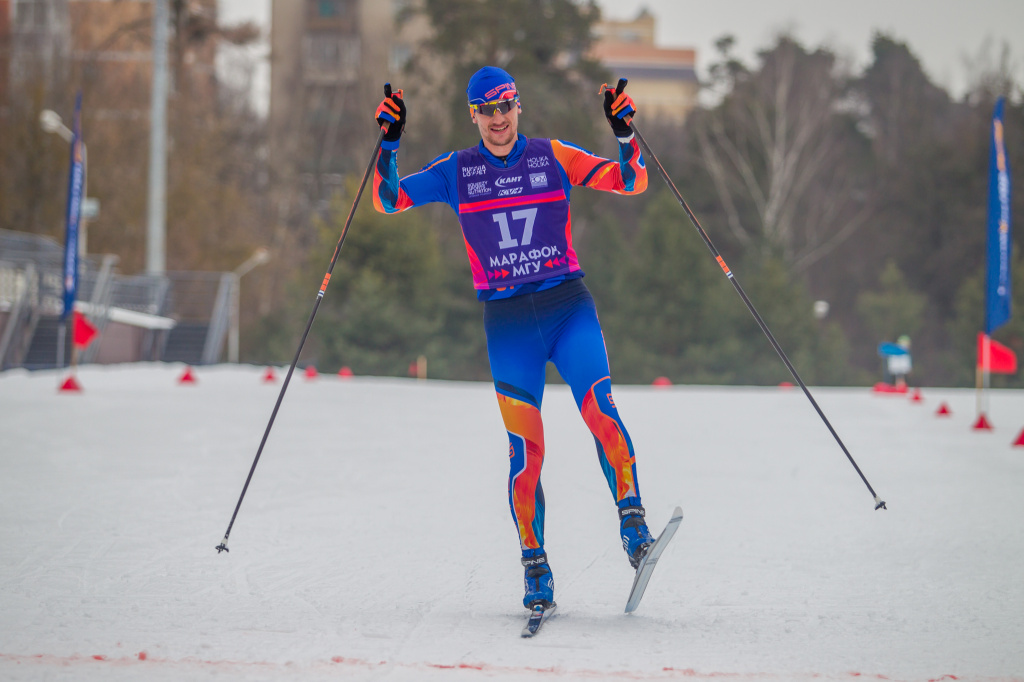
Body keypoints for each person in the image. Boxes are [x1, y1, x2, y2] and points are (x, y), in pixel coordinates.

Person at [372, 66, 654, 611]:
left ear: (518, 106)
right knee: (526, 453)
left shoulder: (553, 156)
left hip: (567, 306)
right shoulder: (457, 171)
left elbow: (632, 180)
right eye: (486, 110)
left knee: (600, 410)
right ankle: (536, 568)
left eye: (505, 107)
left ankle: (633, 525)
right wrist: (389, 145)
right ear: (473, 115)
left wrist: (624, 135)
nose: (498, 120)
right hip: (508, 325)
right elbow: (388, 201)